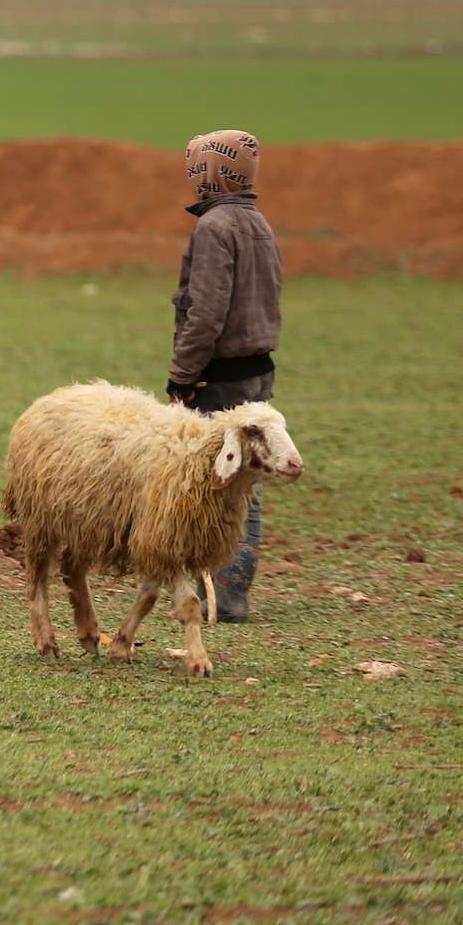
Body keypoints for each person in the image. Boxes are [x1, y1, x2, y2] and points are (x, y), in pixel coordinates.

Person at [168, 129, 282, 623]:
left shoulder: (215, 226)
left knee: (215, 484)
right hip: (258, 371)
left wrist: (182, 375)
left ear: (210, 172)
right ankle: (233, 591)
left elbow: (207, 312)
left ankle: (222, 596)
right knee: (246, 487)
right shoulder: (257, 222)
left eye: (196, 167)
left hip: (223, 375)